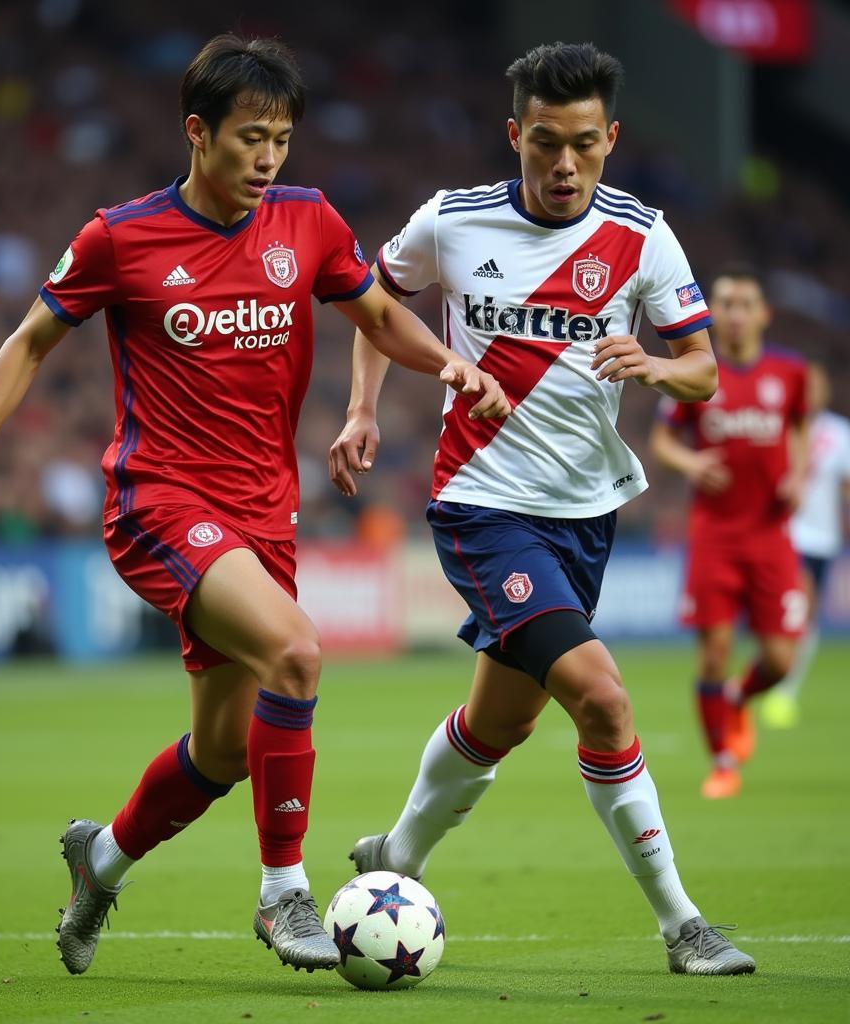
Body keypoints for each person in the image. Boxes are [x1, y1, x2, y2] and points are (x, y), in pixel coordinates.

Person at [0, 34, 508, 976]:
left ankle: (100, 862)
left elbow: (378, 314)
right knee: (297, 654)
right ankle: (284, 897)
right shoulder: (121, 236)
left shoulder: (308, 222)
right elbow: (26, 344)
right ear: (196, 132)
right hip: (159, 501)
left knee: (223, 752)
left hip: (264, 514)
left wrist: (447, 363)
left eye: (283, 140)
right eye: (251, 137)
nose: (268, 159)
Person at [329, 41, 755, 975]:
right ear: (515, 134)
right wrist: (362, 407)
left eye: (586, 146)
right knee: (602, 699)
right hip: (482, 504)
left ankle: (394, 860)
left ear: (613, 140)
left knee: (502, 723)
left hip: (585, 510)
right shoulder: (452, 221)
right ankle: (683, 924)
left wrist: (659, 365)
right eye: (547, 144)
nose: (565, 166)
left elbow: (705, 372)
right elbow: (371, 300)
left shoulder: (643, 237)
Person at [651, 267, 808, 799]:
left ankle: (740, 696)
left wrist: (798, 474)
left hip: (771, 534)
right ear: (713, 313)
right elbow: (663, 439)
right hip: (715, 534)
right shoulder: (698, 375)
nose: (736, 314)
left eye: (746, 304)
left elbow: (802, 427)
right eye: (727, 304)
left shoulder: (790, 374)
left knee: (781, 663)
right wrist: (692, 466)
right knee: (714, 651)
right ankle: (722, 762)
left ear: (762, 314)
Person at [760, 362, 850, 728]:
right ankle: (780, 689)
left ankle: (781, 683)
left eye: (818, 385)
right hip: (785, 532)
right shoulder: (778, 426)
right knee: (801, 601)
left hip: (824, 538)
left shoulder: (840, 433)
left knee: (804, 619)